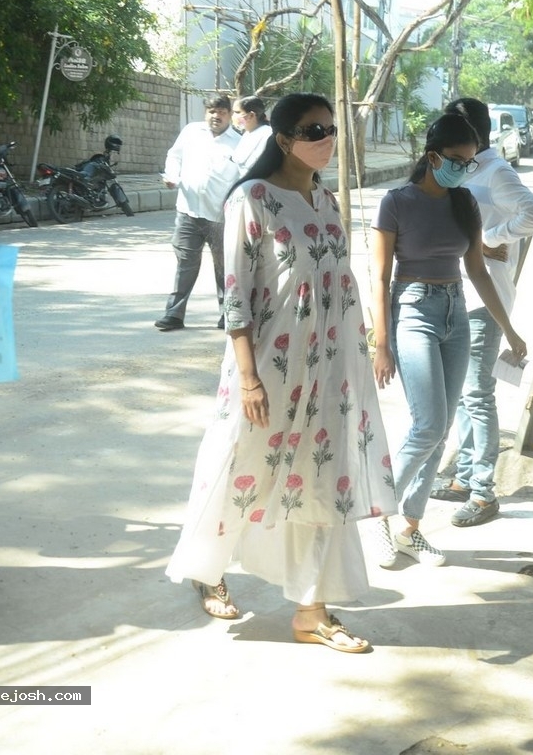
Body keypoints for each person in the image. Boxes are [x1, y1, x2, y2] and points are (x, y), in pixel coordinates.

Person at [165, 93, 395, 653]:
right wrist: (248, 379)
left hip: (330, 371)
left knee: (321, 479)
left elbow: (341, 282)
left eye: (331, 128)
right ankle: (207, 568)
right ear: (284, 138)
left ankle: (312, 609)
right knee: (239, 463)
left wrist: (361, 349)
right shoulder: (253, 199)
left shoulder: (326, 198)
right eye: (313, 129)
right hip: (269, 365)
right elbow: (236, 297)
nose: (326, 137)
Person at [368, 113, 528, 566]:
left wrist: (511, 331)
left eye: (471, 162)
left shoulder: (465, 205)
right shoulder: (396, 202)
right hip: (413, 309)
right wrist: (382, 344)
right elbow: (379, 277)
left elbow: (477, 270)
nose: (465, 168)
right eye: (458, 160)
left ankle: (409, 528)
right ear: (433, 156)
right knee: (429, 426)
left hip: (457, 313)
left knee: (440, 434)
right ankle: (377, 515)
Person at [428, 98, 533, 527]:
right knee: (461, 392)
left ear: (474, 135)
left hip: (486, 299)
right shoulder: (463, 171)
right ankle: (463, 479)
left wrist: (489, 237)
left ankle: (483, 492)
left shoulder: (497, 171)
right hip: (456, 291)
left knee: (477, 395)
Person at [155, 95, 242, 332]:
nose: (216, 116)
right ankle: (173, 315)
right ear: (206, 113)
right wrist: (172, 175)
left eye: (222, 111)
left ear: (229, 114)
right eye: (212, 111)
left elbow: (245, 176)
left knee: (224, 267)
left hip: (221, 217)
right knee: (185, 264)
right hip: (188, 212)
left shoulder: (238, 142)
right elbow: (174, 156)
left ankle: (227, 315)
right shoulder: (192, 132)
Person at [231, 95, 273, 173]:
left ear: (251, 115)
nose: (233, 116)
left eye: (237, 112)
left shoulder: (268, 135)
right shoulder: (247, 133)